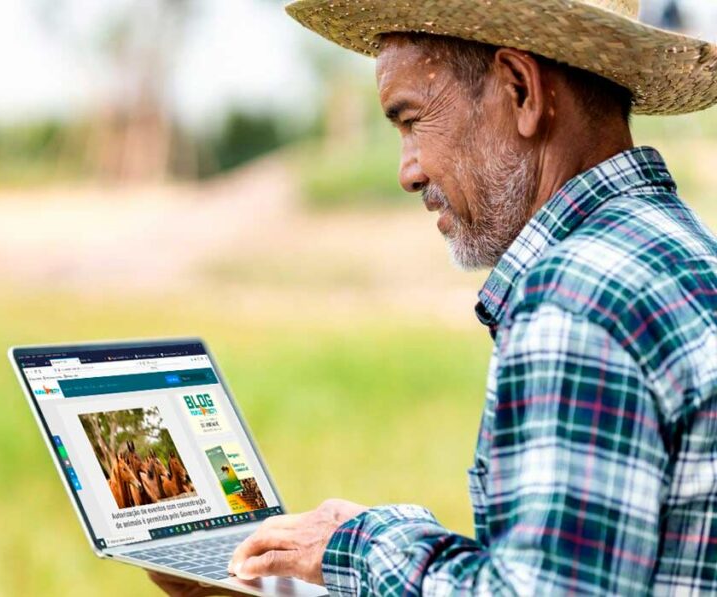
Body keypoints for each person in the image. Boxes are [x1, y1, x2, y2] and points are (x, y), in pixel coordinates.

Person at [151, 0, 717, 594]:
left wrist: (362, 544)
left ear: (521, 91)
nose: (408, 171)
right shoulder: (682, 251)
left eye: (412, 119)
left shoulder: (572, 300)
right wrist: (293, 581)